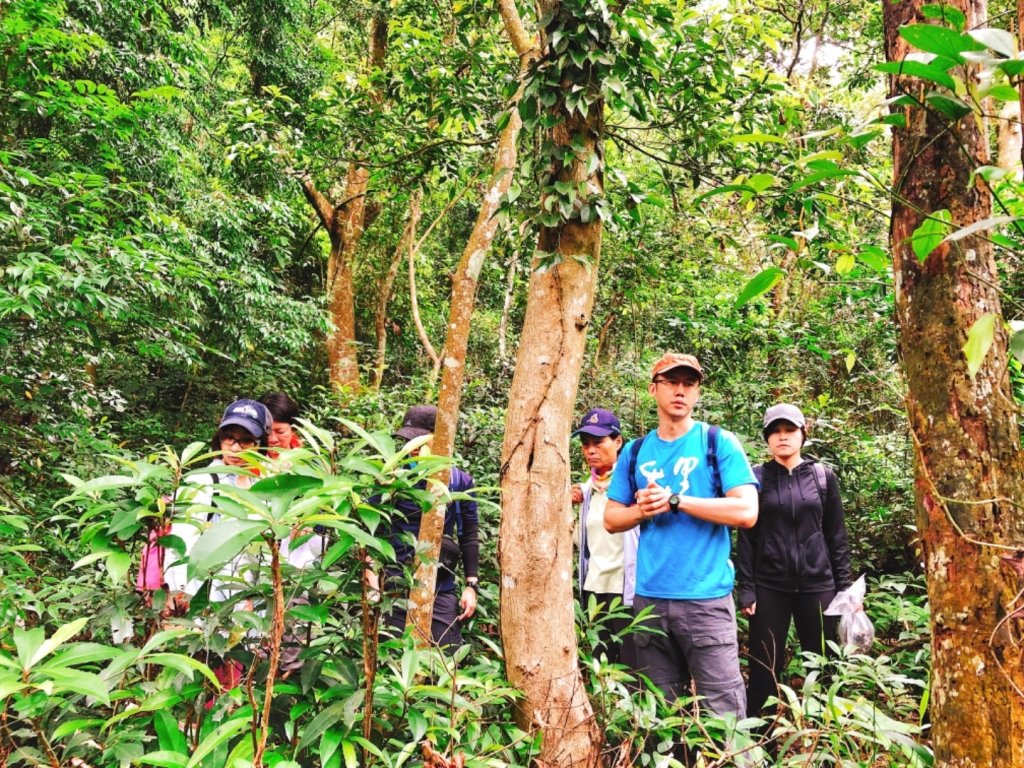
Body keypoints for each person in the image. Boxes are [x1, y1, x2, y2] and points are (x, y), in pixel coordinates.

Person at [604, 353, 758, 719]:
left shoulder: (717, 442)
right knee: (661, 715)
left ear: (697, 393)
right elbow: (611, 518)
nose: (680, 391)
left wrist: (676, 500)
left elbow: (746, 511)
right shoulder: (634, 451)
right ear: (653, 389)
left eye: (689, 384)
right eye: (672, 382)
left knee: (725, 713)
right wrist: (643, 509)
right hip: (650, 601)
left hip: (706, 600)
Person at [736, 403, 852, 719]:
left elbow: (836, 536)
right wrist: (746, 588)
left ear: (803, 434)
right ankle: (761, 747)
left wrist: (846, 591)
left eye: (789, 430)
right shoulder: (756, 479)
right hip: (769, 587)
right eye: (775, 432)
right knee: (763, 668)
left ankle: (829, 746)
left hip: (819, 586)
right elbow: (746, 537)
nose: (782, 437)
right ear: (767, 438)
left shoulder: (822, 477)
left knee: (826, 667)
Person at [380, 405, 479, 649]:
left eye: (419, 441)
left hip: (439, 584)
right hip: (396, 583)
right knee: (392, 657)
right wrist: (371, 576)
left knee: (446, 655)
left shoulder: (458, 481)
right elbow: (376, 530)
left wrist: (471, 585)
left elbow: (469, 535)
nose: (412, 448)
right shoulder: (391, 478)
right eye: (407, 441)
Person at [571, 407, 638, 667]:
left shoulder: (634, 484)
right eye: (585, 444)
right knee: (602, 662)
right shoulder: (585, 490)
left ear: (618, 442)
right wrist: (568, 507)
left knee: (633, 663)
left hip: (627, 588)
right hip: (594, 588)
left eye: (598, 442)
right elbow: (579, 542)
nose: (590, 450)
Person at [260, 391, 303, 458]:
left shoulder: (307, 463)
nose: (272, 439)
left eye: (280, 432)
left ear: (293, 429)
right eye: (266, 432)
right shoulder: (246, 463)